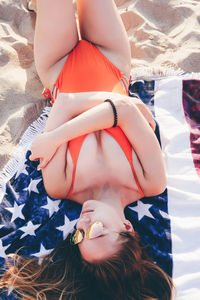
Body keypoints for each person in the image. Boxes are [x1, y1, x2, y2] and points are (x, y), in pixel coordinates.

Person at [0, 0, 174, 299]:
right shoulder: (150, 182)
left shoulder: (61, 186)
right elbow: (121, 108)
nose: (85, 223)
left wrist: (121, 108)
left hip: (59, 66)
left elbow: (67, 102)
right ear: (127, 228)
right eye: (98, 231)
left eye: (80, 235)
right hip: (113, 61)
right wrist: (57, 138)